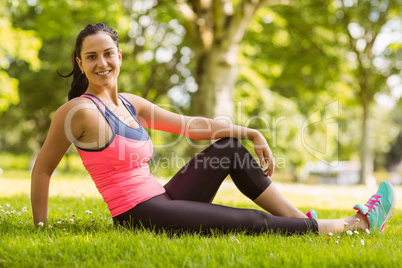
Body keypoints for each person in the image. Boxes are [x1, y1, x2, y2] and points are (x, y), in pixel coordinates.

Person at [31, 23, 396, 235]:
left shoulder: (130, 102)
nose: (101, 63)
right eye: (91, 57)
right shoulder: (77, 111)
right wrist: (41, 228)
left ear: (119, 56)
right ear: (80, 64)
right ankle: (354, 224)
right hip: (137, 215)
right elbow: (43, 168)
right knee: (250, 222)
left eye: (108, 53)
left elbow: (192, 126)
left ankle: (301, 224)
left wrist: (250, 132)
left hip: (162, 198)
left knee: (230, 148)